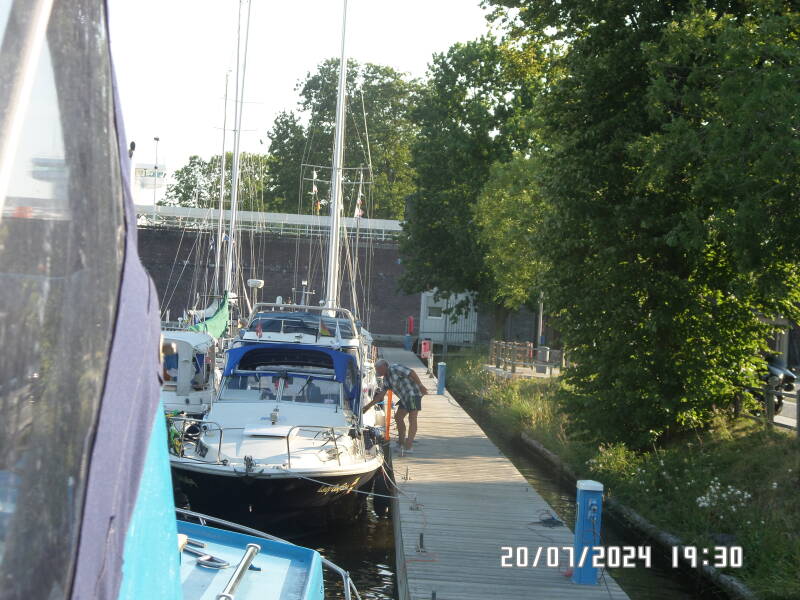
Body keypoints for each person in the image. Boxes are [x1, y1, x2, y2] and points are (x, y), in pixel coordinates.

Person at [363, 358, 427, 453]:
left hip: (413, 394)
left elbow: (411, 372)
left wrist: (421, 386)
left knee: (412, 418)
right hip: (404, 398)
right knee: (398, 417)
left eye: (378, 369)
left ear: (384, 367)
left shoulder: (395, 368)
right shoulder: (386, 379)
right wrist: (367, 407)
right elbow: (380, 395)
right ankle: (401, 442)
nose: (377, 371)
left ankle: (409, 446)